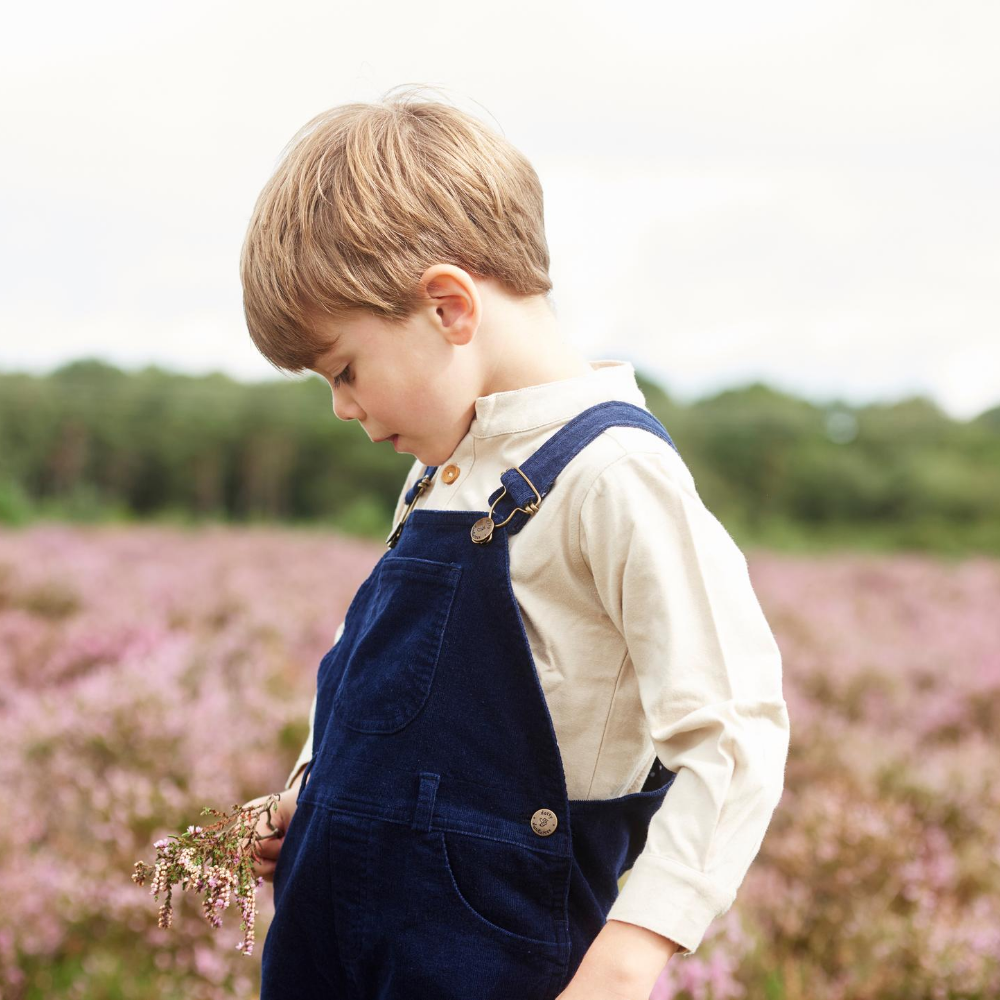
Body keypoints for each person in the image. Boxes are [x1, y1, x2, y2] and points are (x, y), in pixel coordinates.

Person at [239, 85, 790, 1000]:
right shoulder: (442, 473)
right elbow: (388, 700)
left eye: (344, 369)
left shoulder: (612, 476)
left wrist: (627, 956)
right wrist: (316, 795)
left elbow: (737, 737)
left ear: (450, 308)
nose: (341, 407)